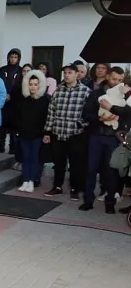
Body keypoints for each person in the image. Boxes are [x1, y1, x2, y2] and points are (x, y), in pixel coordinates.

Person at [79, 67, 125, 214]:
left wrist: (121, 125)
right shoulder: (96, 93)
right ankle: (88, 201)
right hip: (95, 136)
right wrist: (99, 119)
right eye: (114, 79)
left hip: (113, 137)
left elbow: (127, 116)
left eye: (119, 80)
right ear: (107, 76)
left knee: (111, 171)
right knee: (90, 169)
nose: (116, 82)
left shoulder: (123, 96)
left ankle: (110, 202)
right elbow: (86, 114)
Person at [43, 63, 92, 200]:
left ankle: (75, 188)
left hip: (75, 133)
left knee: (75, 163)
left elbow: (89, 112)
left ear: (77, 74)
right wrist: (47, 131)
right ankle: (57, 186)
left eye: (70, 72)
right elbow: (51, 112)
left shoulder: (85, 91)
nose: (66, 75)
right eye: (65, 73)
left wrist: (80, 124)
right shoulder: (58, 91)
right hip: (58, 131)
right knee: (58, 162)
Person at [15, 70, 49, 192]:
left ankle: (32, 181)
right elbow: (17, 117)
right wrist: (19, 130)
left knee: (34, 157)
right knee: (25, 157)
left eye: (35, 84)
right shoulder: (23, 100)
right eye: (30, 84)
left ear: (40, 85)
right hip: (24, 134)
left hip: (38, 135)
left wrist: (45, 133)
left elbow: (46, 118)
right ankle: (25, 180)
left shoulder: (44, 101)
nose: (33, 87)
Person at [0, 48, 23, 154]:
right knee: (2, 123)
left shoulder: (20, 70)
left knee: (13, 125)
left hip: (15, 100)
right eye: (11, 57)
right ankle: (1, 145)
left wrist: (12, 95)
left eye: (15, 57)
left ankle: (12, 146)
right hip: (3, 98)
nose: (13, 59)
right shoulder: (3, 69)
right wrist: (4, 94)